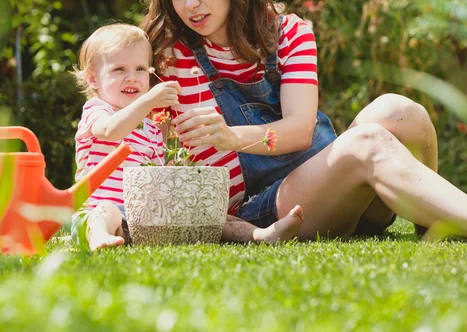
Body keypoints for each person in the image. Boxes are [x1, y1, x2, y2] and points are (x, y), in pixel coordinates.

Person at [139, 0, 467, 241]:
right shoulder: (171, 54)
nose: (190, 4)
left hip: (338, 184)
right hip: (270, 210)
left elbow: (298, 133)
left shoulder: (290, 33)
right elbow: (119, 111)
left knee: (401, 111)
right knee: (366, 143)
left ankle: (431, 223)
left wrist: (231, 137)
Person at [71, 23, 305, 250]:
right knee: (107, 210)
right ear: (93, 79)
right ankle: (100, 236)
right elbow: (112, 131)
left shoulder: (150, 127)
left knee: (207, 212)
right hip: (94, 213)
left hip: (141, 217)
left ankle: (260, 234)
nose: (132, 77)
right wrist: (149, 99)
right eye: (119, 69)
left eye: (140, 69)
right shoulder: (98, 110)